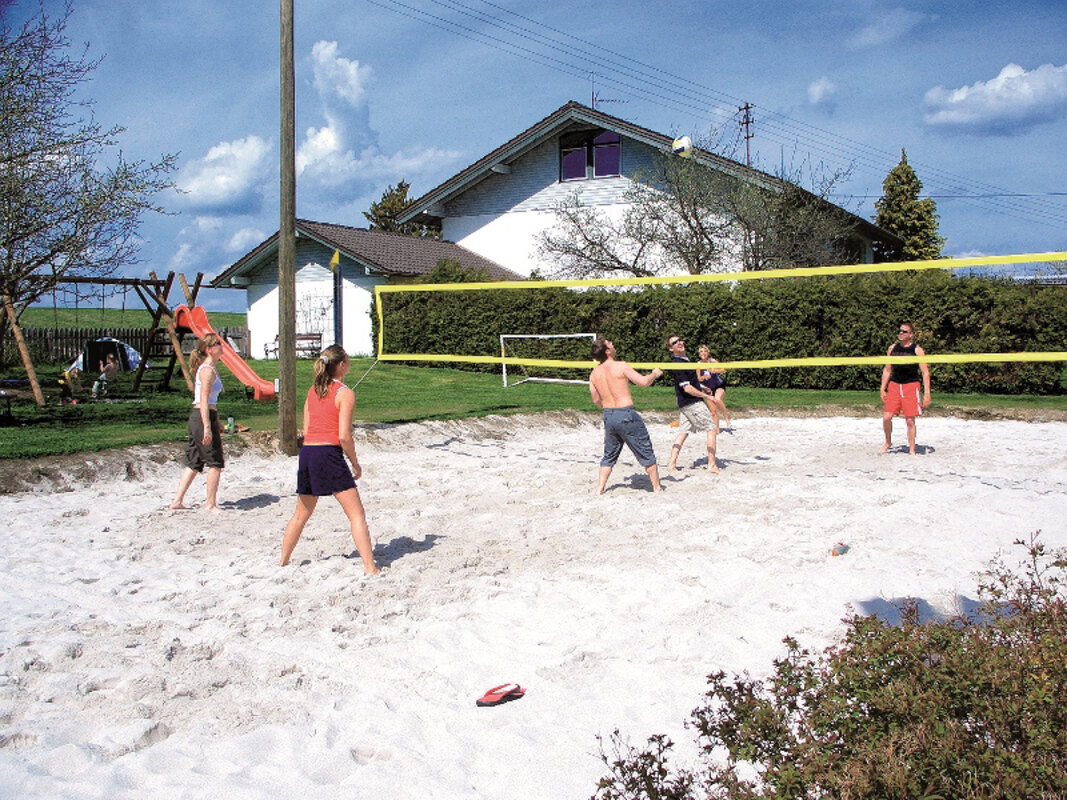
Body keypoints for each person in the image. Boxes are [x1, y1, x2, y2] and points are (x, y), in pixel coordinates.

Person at [280, 345, 380, 574]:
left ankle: (283, 561)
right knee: (356, 515)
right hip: (328, 453)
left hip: (308, 453)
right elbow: (344, 436)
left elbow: (306, 429)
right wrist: (354, 463)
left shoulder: (313, 390)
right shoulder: (344, 393)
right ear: (342, 365)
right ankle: (370, 567)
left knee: (300, 514)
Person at [588, 337, 664, 494]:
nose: (613, 344)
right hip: (626, 414)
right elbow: (643, 382)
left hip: (609, 415)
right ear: (607, 351)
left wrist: (611, 408)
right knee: (645, 450)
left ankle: (600, 488)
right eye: (611, 344)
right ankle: (657, 487)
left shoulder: (594, 373)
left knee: (609, 454)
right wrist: (654, 374)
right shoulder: (620, 366)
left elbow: (596, 399)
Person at [170, 334, 226, 512]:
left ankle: (177, 501)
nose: (221, 345)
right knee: (215, 463)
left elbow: (210, 401)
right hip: (201, 417)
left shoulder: (210, 369)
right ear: (209, 349)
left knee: (193, 462)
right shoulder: (207, 370)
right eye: (217, 343)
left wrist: (217, 421)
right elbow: (203, 400)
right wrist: (208, 426)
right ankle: (210, 503)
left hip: (202, 416)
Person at [666, 335, 720, 473]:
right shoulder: (678, 363)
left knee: (683, 432)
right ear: (671, 348)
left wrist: (702, 386)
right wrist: (707, 396)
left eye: (680, 340)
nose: (679, 343)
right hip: (691, 402)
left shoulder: (685, 360)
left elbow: (691, 383)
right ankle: (712, 465)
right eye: (675, 342)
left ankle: (671, 464)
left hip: (686, 403)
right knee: (711, 428)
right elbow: (687, 388)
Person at [880, 321, 931, 455]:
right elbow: (887, 369)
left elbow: (925, 372)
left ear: (911, 335)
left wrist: (927, 393)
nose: (901, 333)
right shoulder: (893, 348)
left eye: (904, 331)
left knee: (909, 419)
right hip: (894, 385)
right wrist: (882, 387)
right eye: (900, 331)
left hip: (911, 385)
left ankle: (912, 449)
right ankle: (887, 442)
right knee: (886, 417)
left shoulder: (917, 350)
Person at [696, 344, 731, 431]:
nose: (703, 353)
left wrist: (714, 371)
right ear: (699, 354)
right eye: (701, 351)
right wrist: (703, 378)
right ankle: (717, 429)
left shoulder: (712, 361)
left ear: (708, 353)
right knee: (713, 412)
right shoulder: (698, 364)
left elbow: (723, 369)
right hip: (708, 388)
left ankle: (726, 419)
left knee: (718, 399)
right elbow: (698, 379)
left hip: (719, 385)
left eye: (705, 351)